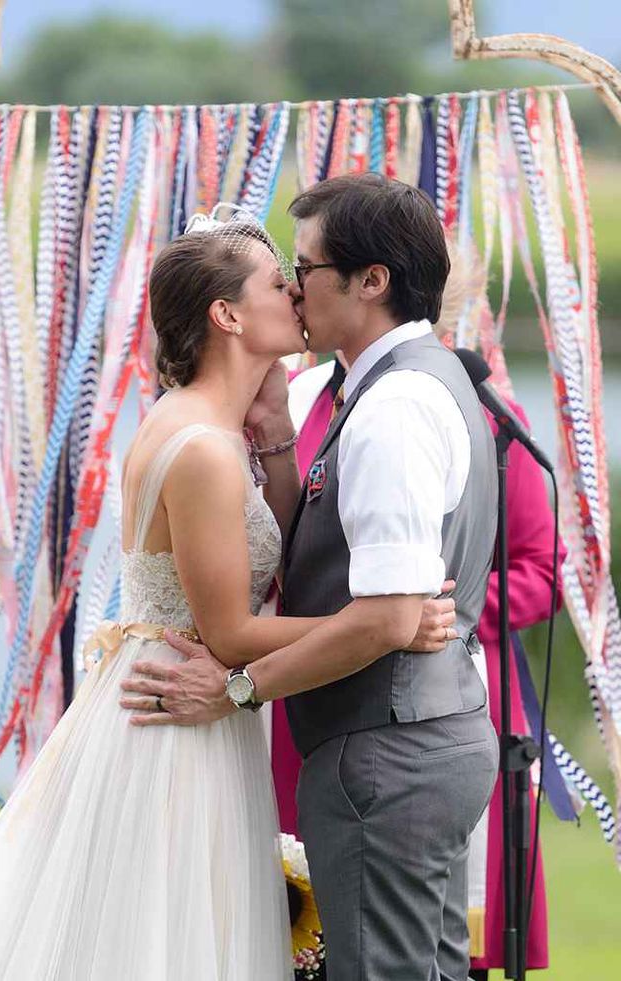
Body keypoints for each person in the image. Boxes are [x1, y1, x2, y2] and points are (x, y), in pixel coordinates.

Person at [0, 210, 453, 981]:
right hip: (179, 706)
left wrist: (279, 427)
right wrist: (385, 622)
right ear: (227, 315)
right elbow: (228, 633)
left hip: (191, 695)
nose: (295, 292)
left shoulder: (217, 429)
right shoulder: (202, 449)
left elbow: (270, 549)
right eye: (274, 284)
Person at [121, 174, 501, 981]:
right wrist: (282, 443)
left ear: (372, 281)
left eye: (307, 267)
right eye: (281, 274)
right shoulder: (402, 387)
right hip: (412, 737)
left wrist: (234, 688)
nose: (295, 288)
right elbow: (314, 558)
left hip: (387, 755)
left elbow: (388, 619)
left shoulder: (393, 409)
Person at [274, 247, 564, 976]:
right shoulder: (300, 396)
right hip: (314, 689)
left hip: (425, 694)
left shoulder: (478, 410)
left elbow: (536, 571)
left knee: (410, 940)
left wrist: (432, 607)